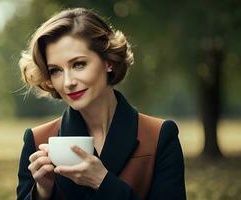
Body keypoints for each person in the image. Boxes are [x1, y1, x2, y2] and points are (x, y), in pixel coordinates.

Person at [16, 7, 186, 200]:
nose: (67, 82)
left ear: (108, 61)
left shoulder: (159, 137)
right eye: (56, 70)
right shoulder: (38, 140)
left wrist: (103, 181)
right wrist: (41, 193)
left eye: (78, 64)